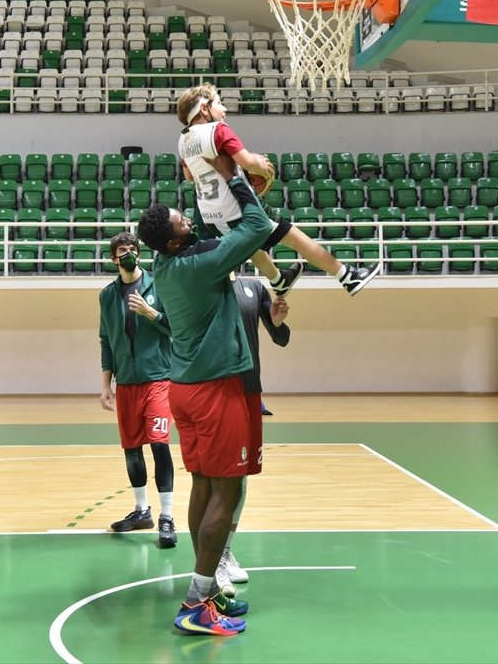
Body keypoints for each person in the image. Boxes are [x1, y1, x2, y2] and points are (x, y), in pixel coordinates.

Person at [136, 153, 267, 636]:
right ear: (175, 240)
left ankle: (208, 590)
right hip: (215, 391)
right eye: (182, 221)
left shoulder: (165, 260)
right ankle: (196, 602)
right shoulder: (199, 265)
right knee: (226, 492)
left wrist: (204, 188)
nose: (188, 220)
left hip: (184, 390)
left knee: (203, 487)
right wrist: (233, 179)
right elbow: (257, 226)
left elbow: (201, 236)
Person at [176, 82, 379, 297]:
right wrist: (260, 164)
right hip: (237, 209)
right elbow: (249, 163)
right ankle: (347, 276)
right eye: (219, 103)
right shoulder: (218, 129)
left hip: (211, 215)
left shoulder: (183, 139)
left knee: (251, 243)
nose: (224, 109)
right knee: (296, 238)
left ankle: (278, 279)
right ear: (204, 109)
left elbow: (189, 176)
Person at [98, 232, 178, 548]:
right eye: (122, 250)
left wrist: (150, 312)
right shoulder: (107, 295)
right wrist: (106, 384)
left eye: (132, 249)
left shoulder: (160, 285)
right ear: (113, 259)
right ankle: (141, 510)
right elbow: (106, 340)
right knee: (132, 448)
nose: (128, 253)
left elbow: (176, 326)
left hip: (158, 378)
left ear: (139, 254)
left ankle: (167, 516)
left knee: (159, 444)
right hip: (126, 384)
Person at [215, 272, 291, 595]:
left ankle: (225, 551)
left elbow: (281, 337)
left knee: (241, 479)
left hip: (250, 390)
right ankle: (212, 558)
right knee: (219, 479)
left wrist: (276, 320)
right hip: (218, 389)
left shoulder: (254, 287)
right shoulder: (206, 281)